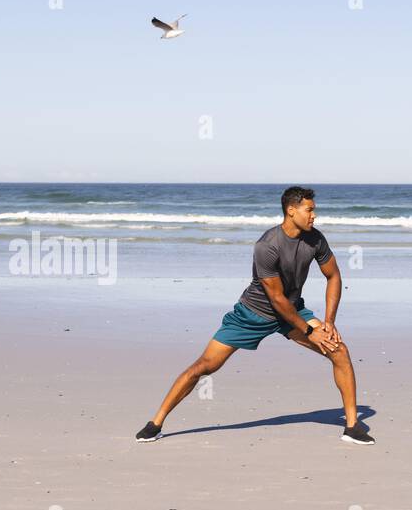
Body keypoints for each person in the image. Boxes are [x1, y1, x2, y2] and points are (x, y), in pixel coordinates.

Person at [134, 186, 374, 445]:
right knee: (203, 367)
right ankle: (155, 422)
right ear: (291, 211)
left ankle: (352, 426)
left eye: (314, 210)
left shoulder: (315, 239)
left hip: (292, 310)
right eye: (310, 210)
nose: (314, 215)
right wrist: (309, 331)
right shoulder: (267, 246)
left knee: (339, 351)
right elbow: (276, 298)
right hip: (253, 314)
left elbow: (333, 275)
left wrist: (328, 322)